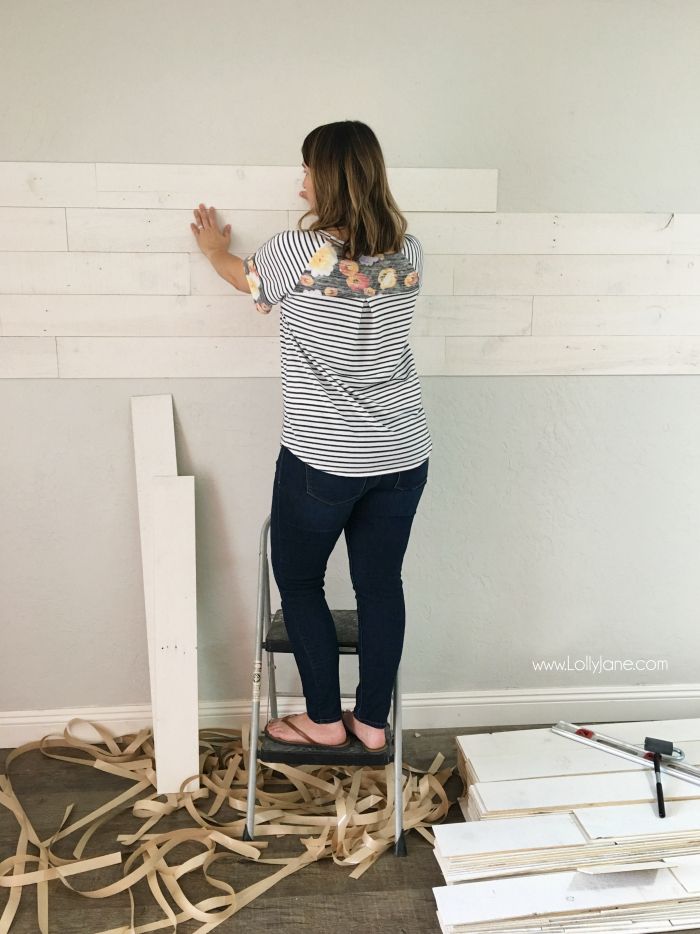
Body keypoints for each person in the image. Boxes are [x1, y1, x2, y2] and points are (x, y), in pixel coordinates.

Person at [192, 120, 431, 752]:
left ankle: (324, 720)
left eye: (305, 170)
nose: (299, 182)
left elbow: (241, 276)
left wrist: (214, 248)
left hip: (324, 458)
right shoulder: (410, 252)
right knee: (381, 586)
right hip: (404, 453)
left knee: (298, 582)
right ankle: (373, 724)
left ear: (325, 176)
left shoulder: (292, 254)